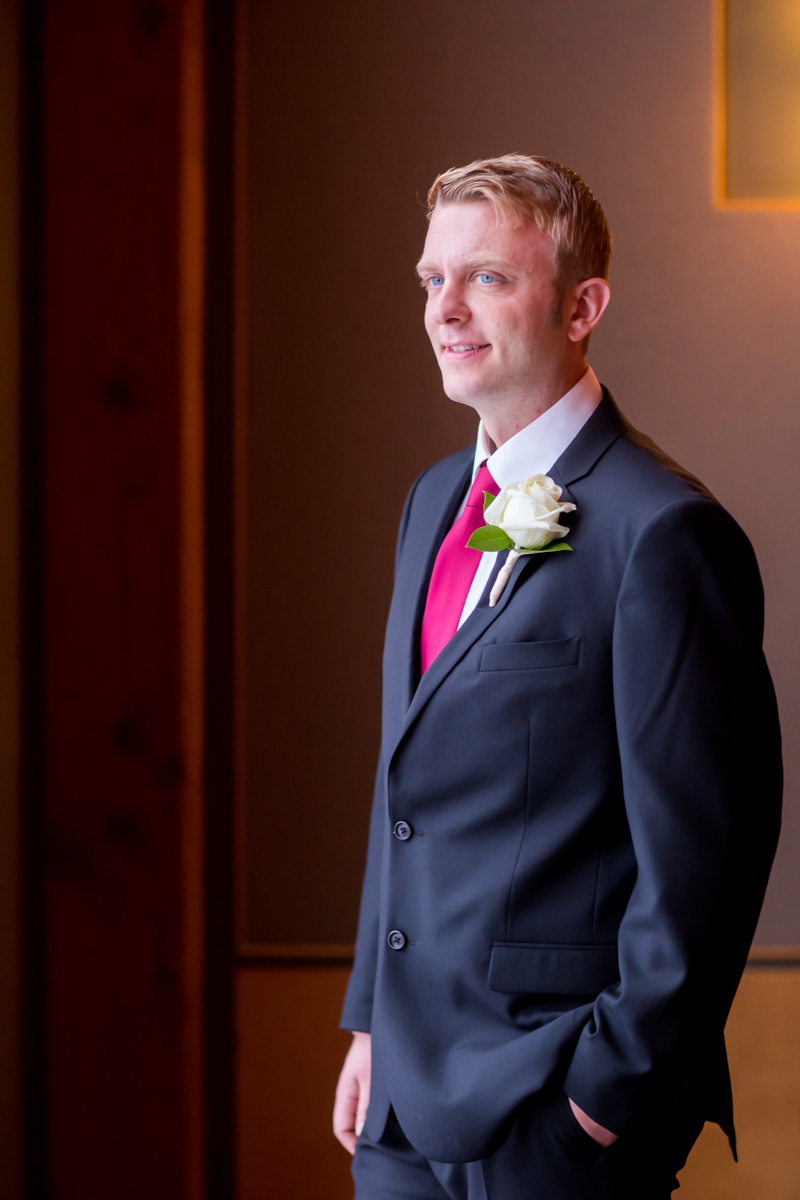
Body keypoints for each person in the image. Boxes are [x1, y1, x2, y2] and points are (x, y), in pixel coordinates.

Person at [332, 154, 782, 1200]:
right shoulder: (432, 501)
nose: (444, 308)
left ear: (582, 308)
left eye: (485, 277)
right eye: (431, 279)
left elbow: (706, 861)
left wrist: (605, 1098)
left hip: (552, 1106)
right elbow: (406, 793)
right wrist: (369, 1021)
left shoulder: (663, 533)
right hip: (400, 1101)